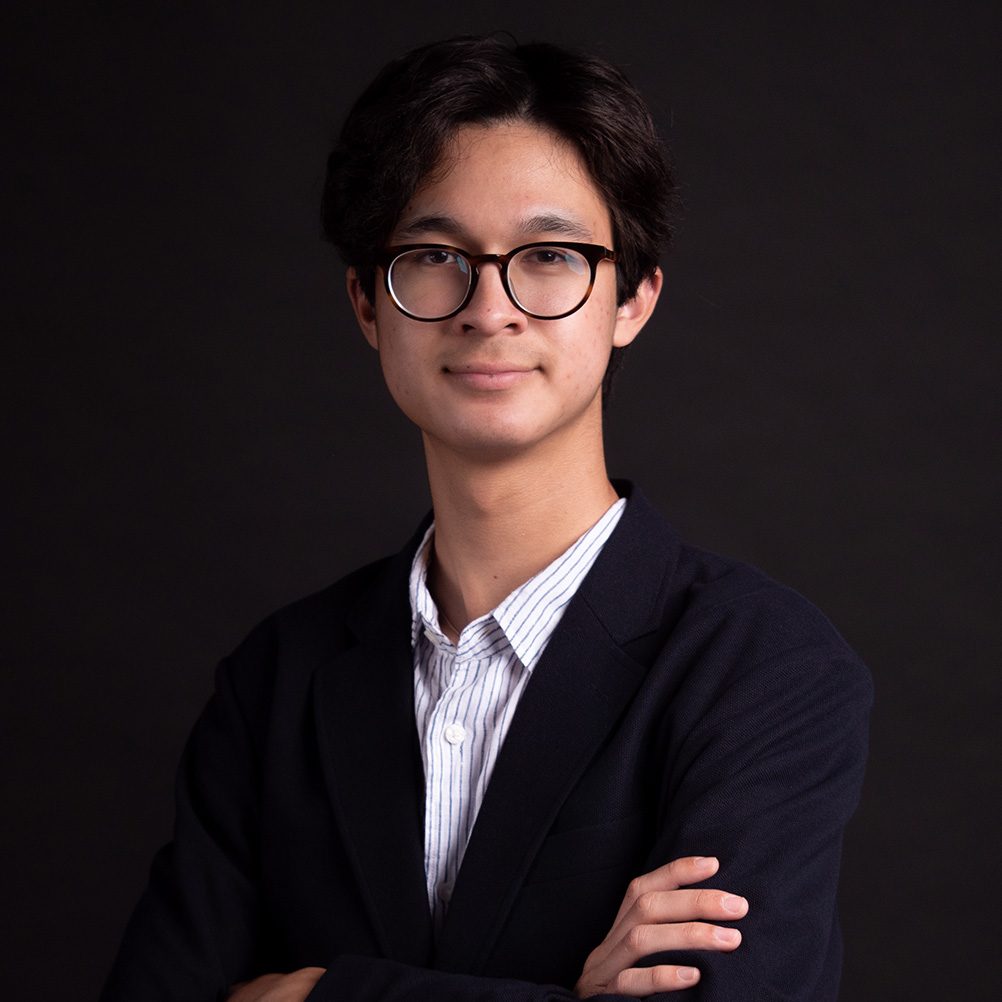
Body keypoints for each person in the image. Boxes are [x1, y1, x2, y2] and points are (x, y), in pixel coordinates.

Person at [100, 35, 872, 1002]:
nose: (488, 308)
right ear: (366, 304)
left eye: (549, 256)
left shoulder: (762, 666)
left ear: (633, 298)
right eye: (434, 257)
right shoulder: (277, 680)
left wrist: (320, 995)